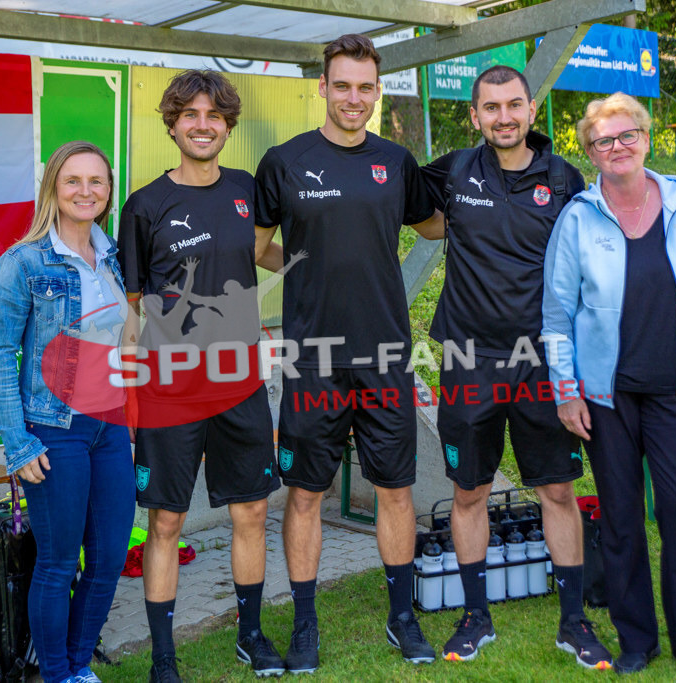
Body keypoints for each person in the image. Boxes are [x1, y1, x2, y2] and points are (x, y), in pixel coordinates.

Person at [253, 33, 444, 672]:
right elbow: (256, 248)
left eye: (366, 87)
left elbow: (436, 224)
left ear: (376, 90)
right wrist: (305, 265)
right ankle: (304, 625)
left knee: (395, 490)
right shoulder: (283, 162)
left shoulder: (396, 161)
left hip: (386, 354)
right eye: (343, 86)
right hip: (311, 358)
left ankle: (402, 616)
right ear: (324, 87)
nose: (354, 98)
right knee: (305, 493)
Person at [420, 65, 612, 669]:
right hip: (467, 358)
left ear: (532, 111)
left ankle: (574, 620)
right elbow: (396, 208)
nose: (503, 117)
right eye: (490, 107)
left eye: (514, 106)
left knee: (557, 489)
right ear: (474, 116)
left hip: (542, 362)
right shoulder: (452, 171)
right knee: (469, 492)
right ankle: (476, 616)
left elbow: (592, 268)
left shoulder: (563, 179)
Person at [541, 92, 676, 682]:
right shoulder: (577, 217)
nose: (617, 147)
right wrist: (567, 390)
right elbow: (555, 317)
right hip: (606, 397)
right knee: (621, 518)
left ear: (646, 138)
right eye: (604, 141)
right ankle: (636, 640)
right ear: (590, 152)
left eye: (627, 136)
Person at [118, 70, 284, 682]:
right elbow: (130, 308)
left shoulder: (247, 190)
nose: (203, 124)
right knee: (165, 522)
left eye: (214, 115)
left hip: (241, 385)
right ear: (172, 123)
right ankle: (164, 660)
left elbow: (272, 253)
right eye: (190, 114)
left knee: (251, 514)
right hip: (171, 394)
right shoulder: (145, 206)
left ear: (228, 125)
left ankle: (251, 635)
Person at [0, 141, 134, 683]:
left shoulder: (110, 252)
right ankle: (56, 673)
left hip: (110, 426)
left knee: (111, 558)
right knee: (56, 563)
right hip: (54, 430)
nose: (85, 191)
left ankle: (76, 665)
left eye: (97, 181)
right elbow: (0, 356)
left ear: (109, 190)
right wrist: (18, 444)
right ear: (53, 187)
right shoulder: (22, 262)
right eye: (73, 181)